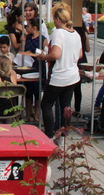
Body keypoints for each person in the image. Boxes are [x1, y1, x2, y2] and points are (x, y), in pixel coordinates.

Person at [31, 8, 82, 138]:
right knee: (66, 105)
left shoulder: (58, 33)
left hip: (60, 75)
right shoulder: (76, 33)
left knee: (46, 104)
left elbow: (56, 54)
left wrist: (43, 56)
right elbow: (80, 54)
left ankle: (49, 133)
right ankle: (64, 131)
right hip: (73, 75)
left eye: (54, 19)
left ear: (58, 19)